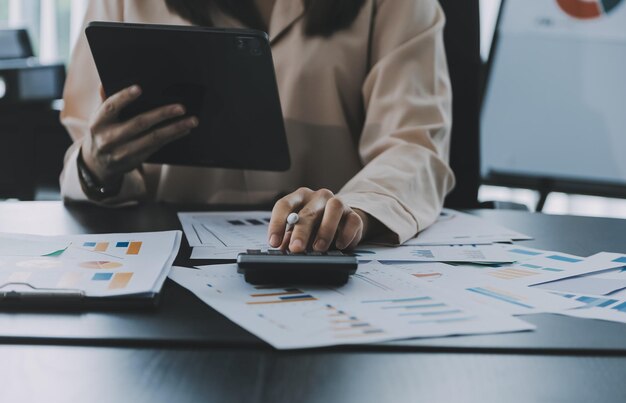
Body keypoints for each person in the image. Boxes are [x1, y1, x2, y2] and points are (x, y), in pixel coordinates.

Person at [60, 0, 454, 253]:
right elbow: (85, 143)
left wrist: (356, 210)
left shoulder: (398, 6)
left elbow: (414, 147)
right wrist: (96, 165)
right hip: (170, 263)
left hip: (326, 260)